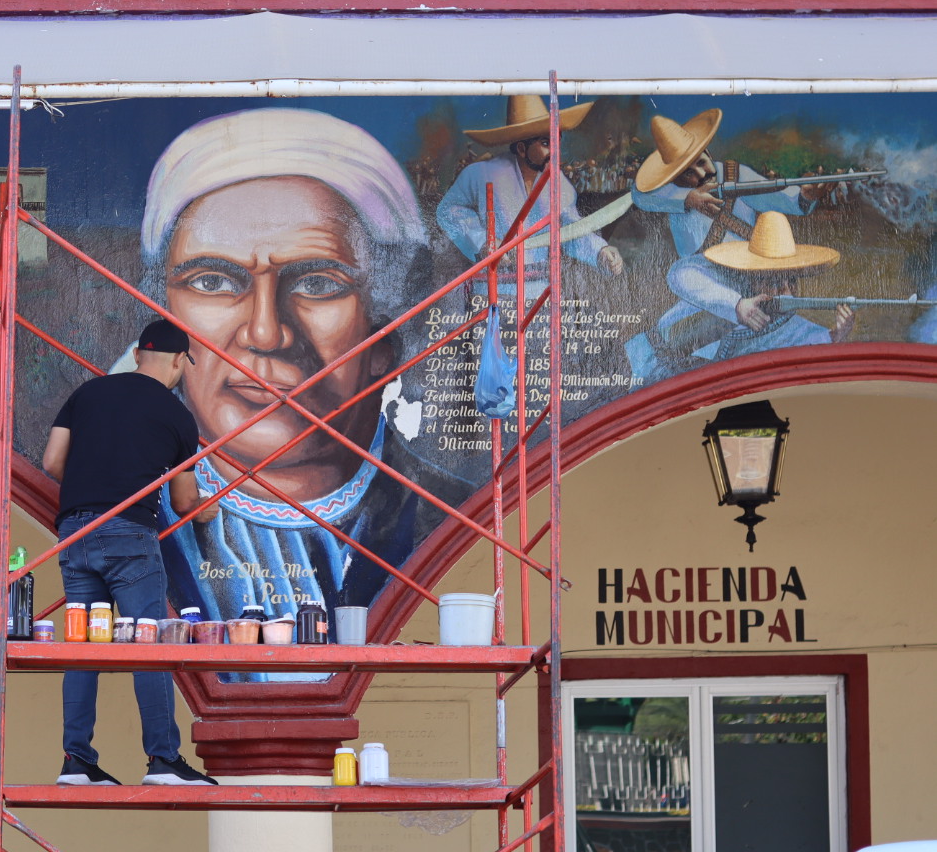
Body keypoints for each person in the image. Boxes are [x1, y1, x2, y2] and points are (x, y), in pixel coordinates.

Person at [137, 107, 471, 638]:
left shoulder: (457, 521)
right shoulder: (129, 516)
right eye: (213, 282)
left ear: (382, 340)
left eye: (317, 284)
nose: (266, 333)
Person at [44, 319, 217, 787]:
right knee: (151, 644)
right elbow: (184, 500)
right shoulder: (177, 416)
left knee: (81, 648)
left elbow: (53, 462)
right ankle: (162, 760)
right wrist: (205, 512)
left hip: (76, 531)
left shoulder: (87, 394)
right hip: (129, 535)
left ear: (140, 353)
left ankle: (76, 761)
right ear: (179, 361)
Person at [625, 110, 829, 384]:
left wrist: (803, 197)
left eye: (701, 162)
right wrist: (687, 199)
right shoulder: (668, 191)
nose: (700, 174)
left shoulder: (736, 174)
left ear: (707, 150)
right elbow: (641, 196)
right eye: (687, 173)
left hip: (752, 271)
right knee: (670, 340)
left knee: (778, 323)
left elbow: (778, 196)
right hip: (708, 277)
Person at [436, 95, 624, 292]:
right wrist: (483, 240)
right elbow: (448, 211)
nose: (554, 151)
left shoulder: (557, 182)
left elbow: (569, 229)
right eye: (545, 144)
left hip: (541, 291)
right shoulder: (481, 174)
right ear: (521, 149)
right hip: (492, 292)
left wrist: (599, 250)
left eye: (556, 142)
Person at [660, 211, 854, 365]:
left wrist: (837, 334)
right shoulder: (723, 279)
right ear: (752, 277)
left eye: (792, 281)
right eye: (774, 283)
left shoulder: (780, 317)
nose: (786, 292)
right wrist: (736, 305)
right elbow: (679, 273)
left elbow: (801, 336)